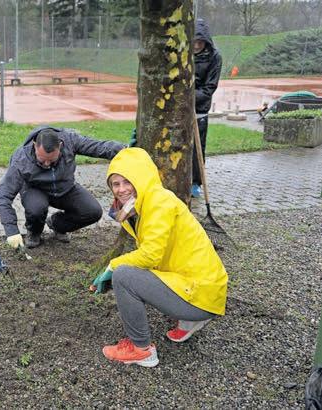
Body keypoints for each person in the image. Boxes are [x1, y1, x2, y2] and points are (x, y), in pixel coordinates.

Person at [92, 148, 228, 367]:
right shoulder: (140, 204)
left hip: (201, 292)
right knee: (129, 271)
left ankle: (141, 350)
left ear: (141, 178)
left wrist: (112, 266)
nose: (121, 189)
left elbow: (150, 255)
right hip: (205, 288)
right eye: (115, 184)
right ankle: (191, 320)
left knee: (123, 276)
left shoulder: (158, 202)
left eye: (127, 182)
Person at [0, 126, 126, 249]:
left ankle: (57, 224)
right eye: (42, 160)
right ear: (35, 146)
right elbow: (4, 194)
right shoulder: (21, 159)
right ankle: (34, 232)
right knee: (36, 209)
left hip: (65, 187)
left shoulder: (70, 140)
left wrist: (126, 149)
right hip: (35, 189)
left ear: (60, 146)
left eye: (52, 160)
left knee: (93, 211)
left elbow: (97, 147)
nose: (47, 164)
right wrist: (11, 231)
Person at [192, 18, 222, 198]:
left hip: (199, 108)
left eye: (200, 42)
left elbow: (210, 87)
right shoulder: (183, 53)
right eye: (194, 41)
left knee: (197, 148)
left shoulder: (214, 57)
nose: (197, 45)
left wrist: (190, 97)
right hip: (180, 108)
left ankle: (195, 182)